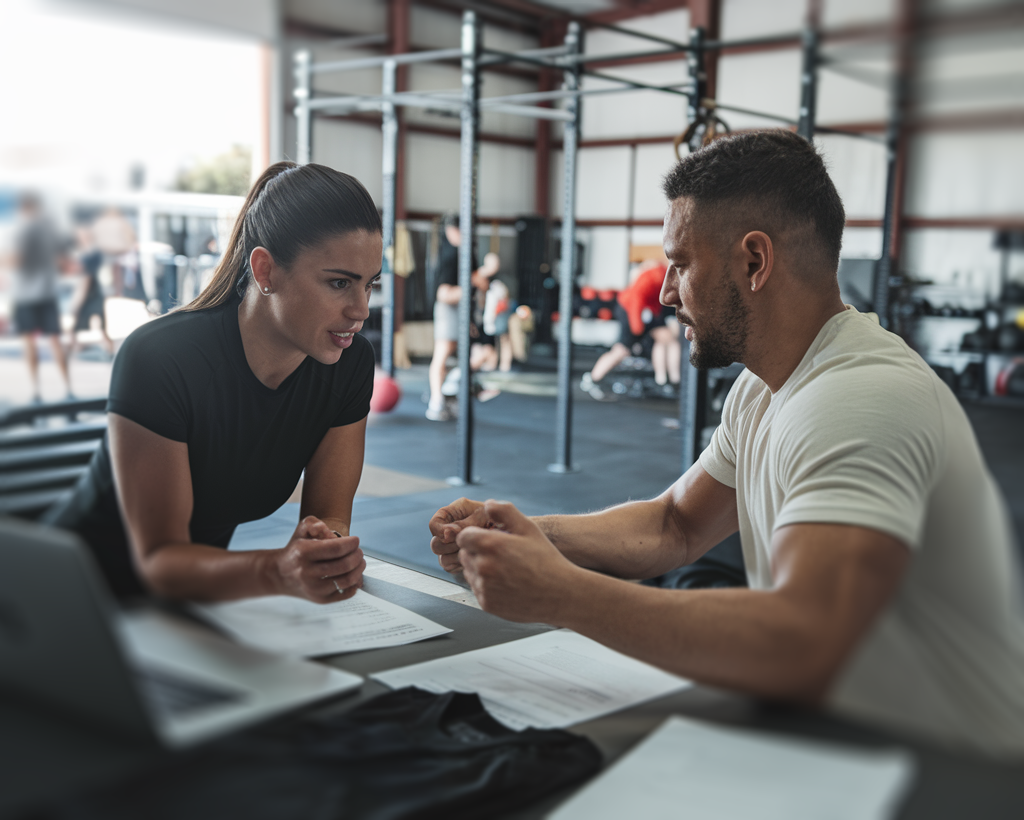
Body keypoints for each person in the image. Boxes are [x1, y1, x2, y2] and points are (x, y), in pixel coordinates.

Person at [429, 130, 1024, 758]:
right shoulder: (762, 390)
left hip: (954, 765)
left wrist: (559, 591)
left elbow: (803, 639)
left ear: (754, 262)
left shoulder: (862, 396)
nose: (663, 292)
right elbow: (675, 525)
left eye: (680, 264)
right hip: (841, 740)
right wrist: (525, 535)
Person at [47, 162, 380, 603]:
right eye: (340, 283)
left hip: (192, 601)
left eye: (370, 285)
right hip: (64, 599)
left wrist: (325, 556)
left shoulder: (348, 363)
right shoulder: (161, 359)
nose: (362, 310)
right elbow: (159, 561)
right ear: (265, 271)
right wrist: (279, 571)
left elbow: (329, 518)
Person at [580, 260, 680, 400]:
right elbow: (635, 299)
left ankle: (666, 380)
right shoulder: (655, 275)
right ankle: (592, 379)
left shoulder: (665, 278)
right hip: (629, 311)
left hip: (645, 312)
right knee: (621, 350)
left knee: (667, 339)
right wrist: (637, 328)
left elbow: (655, 302)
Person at [9, 192, 72, 402]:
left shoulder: (22, 228)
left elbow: (18, 260)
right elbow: (64, 262)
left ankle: (36, 392)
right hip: (47, 291)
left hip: (25, 293)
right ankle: (68, 389)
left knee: (29, 341)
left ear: (23, 207)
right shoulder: (50, 228)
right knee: (55, 339)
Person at [69, 226, 114, 359]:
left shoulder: (89, 255)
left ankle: (75, 353)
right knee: (95, 327)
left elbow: (85, 280)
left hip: (91, 294)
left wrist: (77, 302)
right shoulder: (91, 253)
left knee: (83, 326)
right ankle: (78, 351)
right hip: (95, 293)